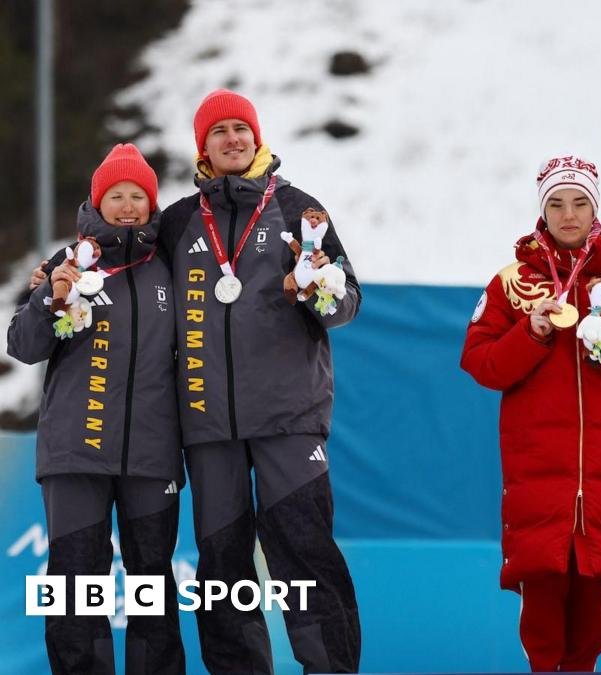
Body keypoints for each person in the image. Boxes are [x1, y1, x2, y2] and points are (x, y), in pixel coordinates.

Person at [157, 89, 362, 674]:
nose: (232, 140)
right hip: (207, 425)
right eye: (218, 132)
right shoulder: (175, 224)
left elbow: (346, 301)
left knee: (305, 555)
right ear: (203, 147)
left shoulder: (299, 208)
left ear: (257, 137)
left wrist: (324, 289)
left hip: (289, 419)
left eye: (240, 129)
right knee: (222, 570)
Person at [462, 155, 601, 672]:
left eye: (580, 202)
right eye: (556, 204)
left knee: (591, 608)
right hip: (539, 471)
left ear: (596, 208)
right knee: (541, 602)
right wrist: (530, 334)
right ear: (542, 211)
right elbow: (480, 362)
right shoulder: (513, 282)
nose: (569, 214)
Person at [9, 144, 185, 674]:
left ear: (152, 205)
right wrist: (47, 298)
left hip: (151, 457)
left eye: (137, 196)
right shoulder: (66, 265)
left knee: (152, 587)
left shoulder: (170, 268)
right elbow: (23, 346)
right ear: (97, 201)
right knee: (76, 587)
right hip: (76, 455)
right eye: (116, 195)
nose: (127, 205)